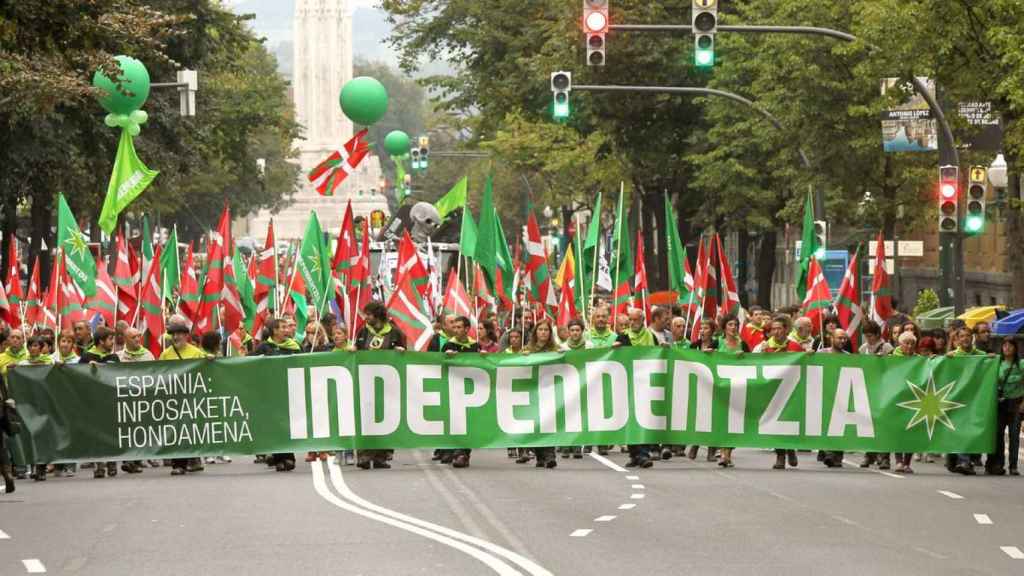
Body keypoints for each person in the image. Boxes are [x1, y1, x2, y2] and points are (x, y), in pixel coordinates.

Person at [354, 301, 405, 470]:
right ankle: (364, 454)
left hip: (388, 383)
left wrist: (401, 352)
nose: (365, 317)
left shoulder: (395, 332)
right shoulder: (363, 331)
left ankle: (381, 456)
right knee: (366, 418)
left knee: (386, 417)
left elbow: (405, 355)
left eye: (368, 314)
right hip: (365, 382)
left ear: (377, 315)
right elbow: (357, 350)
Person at [158, 319, 209, 475]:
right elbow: (160, 375)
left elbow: (206, 369)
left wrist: (211, 359)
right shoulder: (166, 354)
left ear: (186, 335)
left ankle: (192, 458)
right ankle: (178, 464)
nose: (175, 337)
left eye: (179, 334)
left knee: (190, 430)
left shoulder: (196, 352)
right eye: (173, 334)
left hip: (192, 398)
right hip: (174, 399)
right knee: (176, 431)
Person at [252, 318, 301, 472]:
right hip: (270, 392)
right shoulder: (264, 347)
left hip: (289, 391)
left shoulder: (294, 347)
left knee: (286, 425)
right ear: (275, 331)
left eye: (288, 327)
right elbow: (249, 362)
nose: (288, 329)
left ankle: (288, 457)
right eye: (283, 327)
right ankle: (279, 457)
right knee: (275, 426)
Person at [754, 315, 799, 470]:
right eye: (773, 329)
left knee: (788, 419)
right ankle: (780, 455)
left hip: (791, 389)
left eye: (779, 328)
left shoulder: (795, 346)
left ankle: (790, 448)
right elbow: (755, 364)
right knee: (774, 421)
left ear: (786, 330)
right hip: (772, 390)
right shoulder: (764, 347)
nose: (776, 332)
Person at [616, 308, 660, 468]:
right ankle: (634, 454)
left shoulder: (650, 336)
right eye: (630, 320)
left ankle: (643, 454)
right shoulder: (623, 337)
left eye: (635, 320)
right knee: (630, 419)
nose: (632, 323)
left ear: (642, 320)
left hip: (646, 384)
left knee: (644, 419)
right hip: (627, 384)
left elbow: (658, 355)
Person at [946, 327, 987, 475]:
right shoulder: (952, 356)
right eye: (962, 336)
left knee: (969, 429)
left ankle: (965, 460)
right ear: (957, 339)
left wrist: (992, 359)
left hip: (975, 398)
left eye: (967, 336)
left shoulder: (981, 355)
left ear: (972, 337)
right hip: (957, 399)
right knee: (958, 429)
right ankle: (961, 460)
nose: (965, 339)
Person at [81, 326, 121, 478]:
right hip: (94, 401)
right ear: (100, 341)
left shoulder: (114, 357)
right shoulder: (87, 357)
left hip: (110, 401)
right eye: (110, 339)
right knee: (97, 433)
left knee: (112, 432)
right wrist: (88, 368)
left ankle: (112, 463)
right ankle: (99, 465)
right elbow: (75, 374)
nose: (113, 342)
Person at [441, 316, 480, 468]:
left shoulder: (474, 345)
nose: (455, 330)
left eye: (459, 327)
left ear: (466, 329)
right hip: (453, 388)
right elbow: (439, 364)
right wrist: (446, 357)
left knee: (467, 422)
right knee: (455, 420)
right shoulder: (448, 345)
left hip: (470, 390)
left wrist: (482, 356)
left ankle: (463, 453)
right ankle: (455, 451)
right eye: (454, 327)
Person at [521, 318, 559, 469]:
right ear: (536, 332)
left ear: (550, 333)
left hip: (549, 391)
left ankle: (550, 455)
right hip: (532, 391)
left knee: (548, 423)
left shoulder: (556, 349)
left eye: (546, 330)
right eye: (540, 330)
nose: (543, 332)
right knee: (536, 424)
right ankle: (540, 456)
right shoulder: (527, 350)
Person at [986, 338, 1022, 476]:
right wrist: (987, 357)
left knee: (1014, 436)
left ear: (1015, 348)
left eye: (1010, 345)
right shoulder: (997, 362)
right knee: (998, 436)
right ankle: (998, 464)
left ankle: (1013, 466)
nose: (1007, 348)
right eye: (1004, 345)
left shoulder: (1021, 364)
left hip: (1016, 404)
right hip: (1000, 404)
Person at [889, 331, 919, 473]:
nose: (909, 346)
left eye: (912, 343)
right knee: (897, 431)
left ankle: (907, 462)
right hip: (896, 399)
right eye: (906, 343)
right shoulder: (891, 358)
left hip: (914, 399)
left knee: (912, 431)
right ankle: (899, 461)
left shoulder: (919, 359)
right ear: (899, 344)